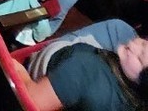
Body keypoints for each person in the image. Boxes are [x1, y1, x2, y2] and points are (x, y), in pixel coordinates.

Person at [19, 19, 148, 110]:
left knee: (116, 27)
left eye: (139, 57)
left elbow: (30, 101)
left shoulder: (86, 69)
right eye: (144, 43)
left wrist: (16, 68)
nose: (134, 44)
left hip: (48, 67)